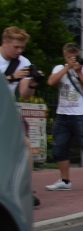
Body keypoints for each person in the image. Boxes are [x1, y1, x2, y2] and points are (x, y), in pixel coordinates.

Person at [45, 43, 83, 191]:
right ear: (65, 56)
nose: (72, 58)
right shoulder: (59, 69)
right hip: (63, 115)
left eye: (74, 56)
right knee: (59, 148)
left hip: (81, 115)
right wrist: (67, 68)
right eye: (69, 56)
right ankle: (65, 180)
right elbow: (51, 82)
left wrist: (79, 73)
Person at [3, 27, 39, 206]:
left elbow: (25, 95)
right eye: (16, 47)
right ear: (5, 43)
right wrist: (11, 77)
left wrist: (32, 84)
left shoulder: (22, 62)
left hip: (7, 109)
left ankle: (25, 189)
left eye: (22, 48)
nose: (19, 51)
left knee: (24, 144)